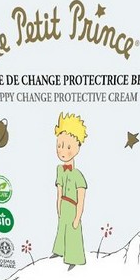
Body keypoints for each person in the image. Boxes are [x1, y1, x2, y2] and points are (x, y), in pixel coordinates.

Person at [51, 113, 88, 271]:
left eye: (67, 147)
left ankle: (74, 258)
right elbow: (59, 191)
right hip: (64, 206)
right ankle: (59, 250)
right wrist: (58, 206)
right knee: (62, 228)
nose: (62, 150)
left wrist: (77, 216)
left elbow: (81, 199)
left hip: (73, 207)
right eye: (59, 145)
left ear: (77, 147)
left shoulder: (78, 176)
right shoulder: (59, 170)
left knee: (73, 230)